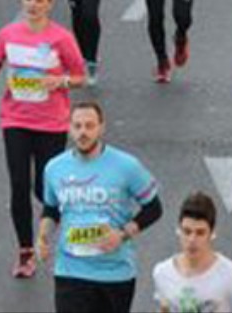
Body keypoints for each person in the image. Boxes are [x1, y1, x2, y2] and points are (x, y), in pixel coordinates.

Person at [0, 0, 87, 280]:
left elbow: (80, 76)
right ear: (22, 0)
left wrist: (60, 81)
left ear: (49, 4)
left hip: (51, 122)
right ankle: (26, 251)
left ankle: (70, 228)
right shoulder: (7, 35)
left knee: (44, 188)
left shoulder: (61, 38)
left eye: (39, 0)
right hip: (15, 119)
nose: (33, 4)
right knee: (18, 186)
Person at [38, 102, 163, 312]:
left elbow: (154, 208)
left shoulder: (126, 166)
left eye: (89, 126)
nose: (83, 133)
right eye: (77, 126)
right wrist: (43, 236)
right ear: (69, 128)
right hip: (70, 271)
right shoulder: (54, 168)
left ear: (101, 128)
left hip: (114, 273)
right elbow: (50, 209)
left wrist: (122, 234)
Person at [151, 192, 232, 313]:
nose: (192, 240)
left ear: (212, 234)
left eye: (200, 233)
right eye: (187, 231)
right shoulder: (162, 273)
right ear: (179, 231)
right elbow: (164, 309)